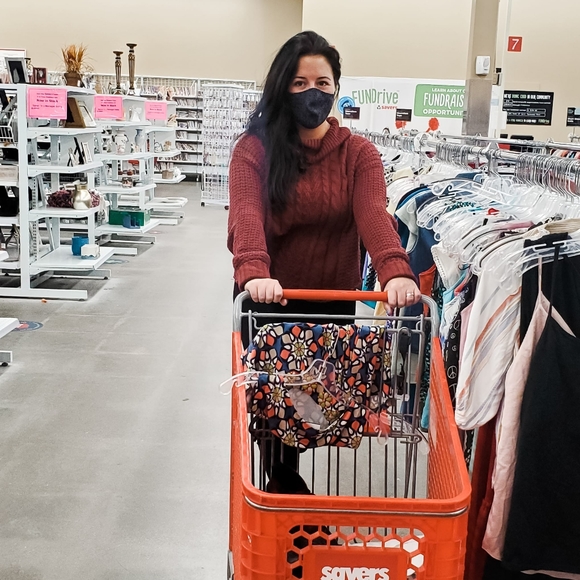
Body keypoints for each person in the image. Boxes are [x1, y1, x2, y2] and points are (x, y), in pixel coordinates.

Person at [228, 30, 420, 335]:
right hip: (266, 297)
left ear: (335, 88)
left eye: (322, 83)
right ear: (282, 87)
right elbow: (246, 214)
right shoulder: (253, 150)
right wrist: (253, 270)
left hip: (335, 304)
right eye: (299, 83)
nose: (312, 93)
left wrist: (394, 270)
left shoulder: (358, 154)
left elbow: (373, 214)